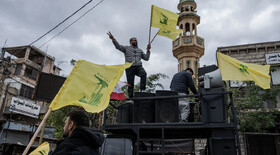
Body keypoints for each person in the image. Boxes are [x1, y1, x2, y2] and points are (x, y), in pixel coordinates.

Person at [107, 31, 151, 98]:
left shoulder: (140, 50)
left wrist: (148, 50)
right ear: (130, 42)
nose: (135, 41)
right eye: (134, 40)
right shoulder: (126, 48)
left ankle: (142, 90)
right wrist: (113, 39)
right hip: (129, 67)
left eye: (136, 40)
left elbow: (146, 58)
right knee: (130, 83)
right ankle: (131, 97)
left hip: (138, 66)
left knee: (143, 74)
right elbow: (118, 46)